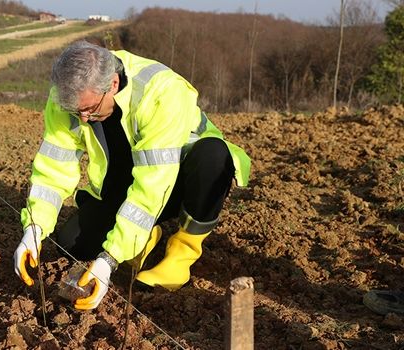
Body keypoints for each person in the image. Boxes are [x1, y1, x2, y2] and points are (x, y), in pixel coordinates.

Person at [13, 40, 251, 310]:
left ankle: (181, 254)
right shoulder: (68, 97)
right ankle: (144, 239)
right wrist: (34, 230)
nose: (82, 119)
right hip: (128, 179)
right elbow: (53, 170)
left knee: (213, 156)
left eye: (89, 110)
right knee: (73, 244)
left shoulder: (162, 92)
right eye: (75, 111)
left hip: (179, 180)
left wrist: (110, 260)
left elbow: (153, 185)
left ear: (112, 85)